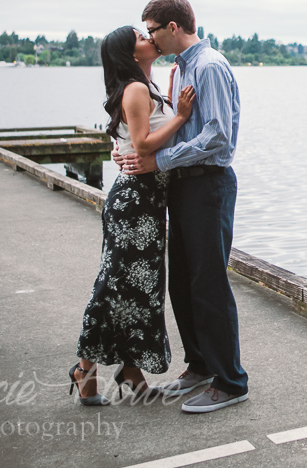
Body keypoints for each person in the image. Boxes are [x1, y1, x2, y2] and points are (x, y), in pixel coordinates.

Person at [118, 0, 248, 414]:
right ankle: (200, 364)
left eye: (153, 31)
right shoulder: (181, 68)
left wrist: (158, 160)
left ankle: (231, 382)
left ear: (173, 28)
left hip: (208, 184)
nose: (150, 40)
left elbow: (217, 136)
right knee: (184, 283)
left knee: (209, 284)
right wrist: (132, 154)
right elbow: (171, 128)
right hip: (184, 186)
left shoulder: (208, 66)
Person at [70, 25, 195, 406]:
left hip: (144, 200)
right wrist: (182, 116)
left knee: (138, 289)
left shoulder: (145, 87)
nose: (149, 40)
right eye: (141, 38)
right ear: (131, 53)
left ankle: (131, 371)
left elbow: (127, 140)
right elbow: (142, 143)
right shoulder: (137, 89)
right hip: (135, 202)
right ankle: (84, 370)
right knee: (115, 286)